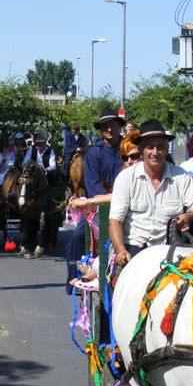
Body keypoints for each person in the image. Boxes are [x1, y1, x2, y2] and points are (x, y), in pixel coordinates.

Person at [109, 120, 193, 266]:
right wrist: (121, 250)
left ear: (167, 149)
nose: (155, 152)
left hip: (171, 251)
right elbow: (115, 221)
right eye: (150, 147)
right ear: (142, 150)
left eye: (160, 147)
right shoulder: (126, 178)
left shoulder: (181, 176)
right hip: (135, 250)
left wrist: (189, 216)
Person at [65, 109, 124, 289]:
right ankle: (73, 278)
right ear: (101, 130)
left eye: (112, 125)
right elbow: (92, 185)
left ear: (118, 126)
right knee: (77, 236)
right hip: (99, 206)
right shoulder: (94, 153)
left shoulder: (127, 149)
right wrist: (107, 201)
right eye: (105, 126)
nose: (109, 129)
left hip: (126, 204)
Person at [68, 129, 141, 210]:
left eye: (135, 156)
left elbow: (121, 197)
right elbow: (118, 194)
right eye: (125, 158)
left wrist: (88, 202)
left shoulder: (148, 177)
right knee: (66, 164)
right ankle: (67, 182)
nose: (129, 161)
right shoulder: (123, 177)